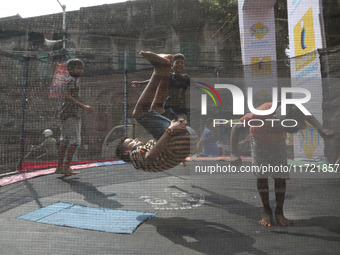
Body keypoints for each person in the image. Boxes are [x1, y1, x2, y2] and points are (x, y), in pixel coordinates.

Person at [230, 103, 334, 227]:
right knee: (262, 175)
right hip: (259, 141)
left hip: (278, 141)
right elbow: (236, 127)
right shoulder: (260, 113)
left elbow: (308, 116)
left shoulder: (293, 109)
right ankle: (267, 211)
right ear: (275, 117)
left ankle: (279, 212)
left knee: (280, 176)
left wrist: (321, 129)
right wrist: (234, 153)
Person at [116, 51, 197, 171]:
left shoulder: (146, 149)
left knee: (156, 108)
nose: (136, 139)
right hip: (179, 137)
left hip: (188, 137)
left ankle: (165, 68)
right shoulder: (134, 155)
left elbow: (163, 154)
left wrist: (181, 156)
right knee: (138, 113)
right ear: (127, 152)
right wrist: (170, 131)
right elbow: (149, 157)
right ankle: (159, 70)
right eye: (132, 141)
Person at [55, 58, 94, 176]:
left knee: (65, 140)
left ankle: (60, 167)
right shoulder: (71, 81)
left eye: (81, 69)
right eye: (78, 68)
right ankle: (66, 167)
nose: (80, 71)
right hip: (71, 113)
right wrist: (83, 106)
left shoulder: (71, 81)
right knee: (75, 141)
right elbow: (67, 96)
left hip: (65, 113)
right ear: (70, 69)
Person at [131, 53, 190, 119]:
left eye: (181, 63)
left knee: (180, 124)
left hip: (181, 108)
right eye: (177, 63)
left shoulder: (186, 78)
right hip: (168, 107)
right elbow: (154, 80)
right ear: (172, 66)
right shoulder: (169, 76)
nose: (179, 65)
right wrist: (140, 83)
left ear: (184, 66)